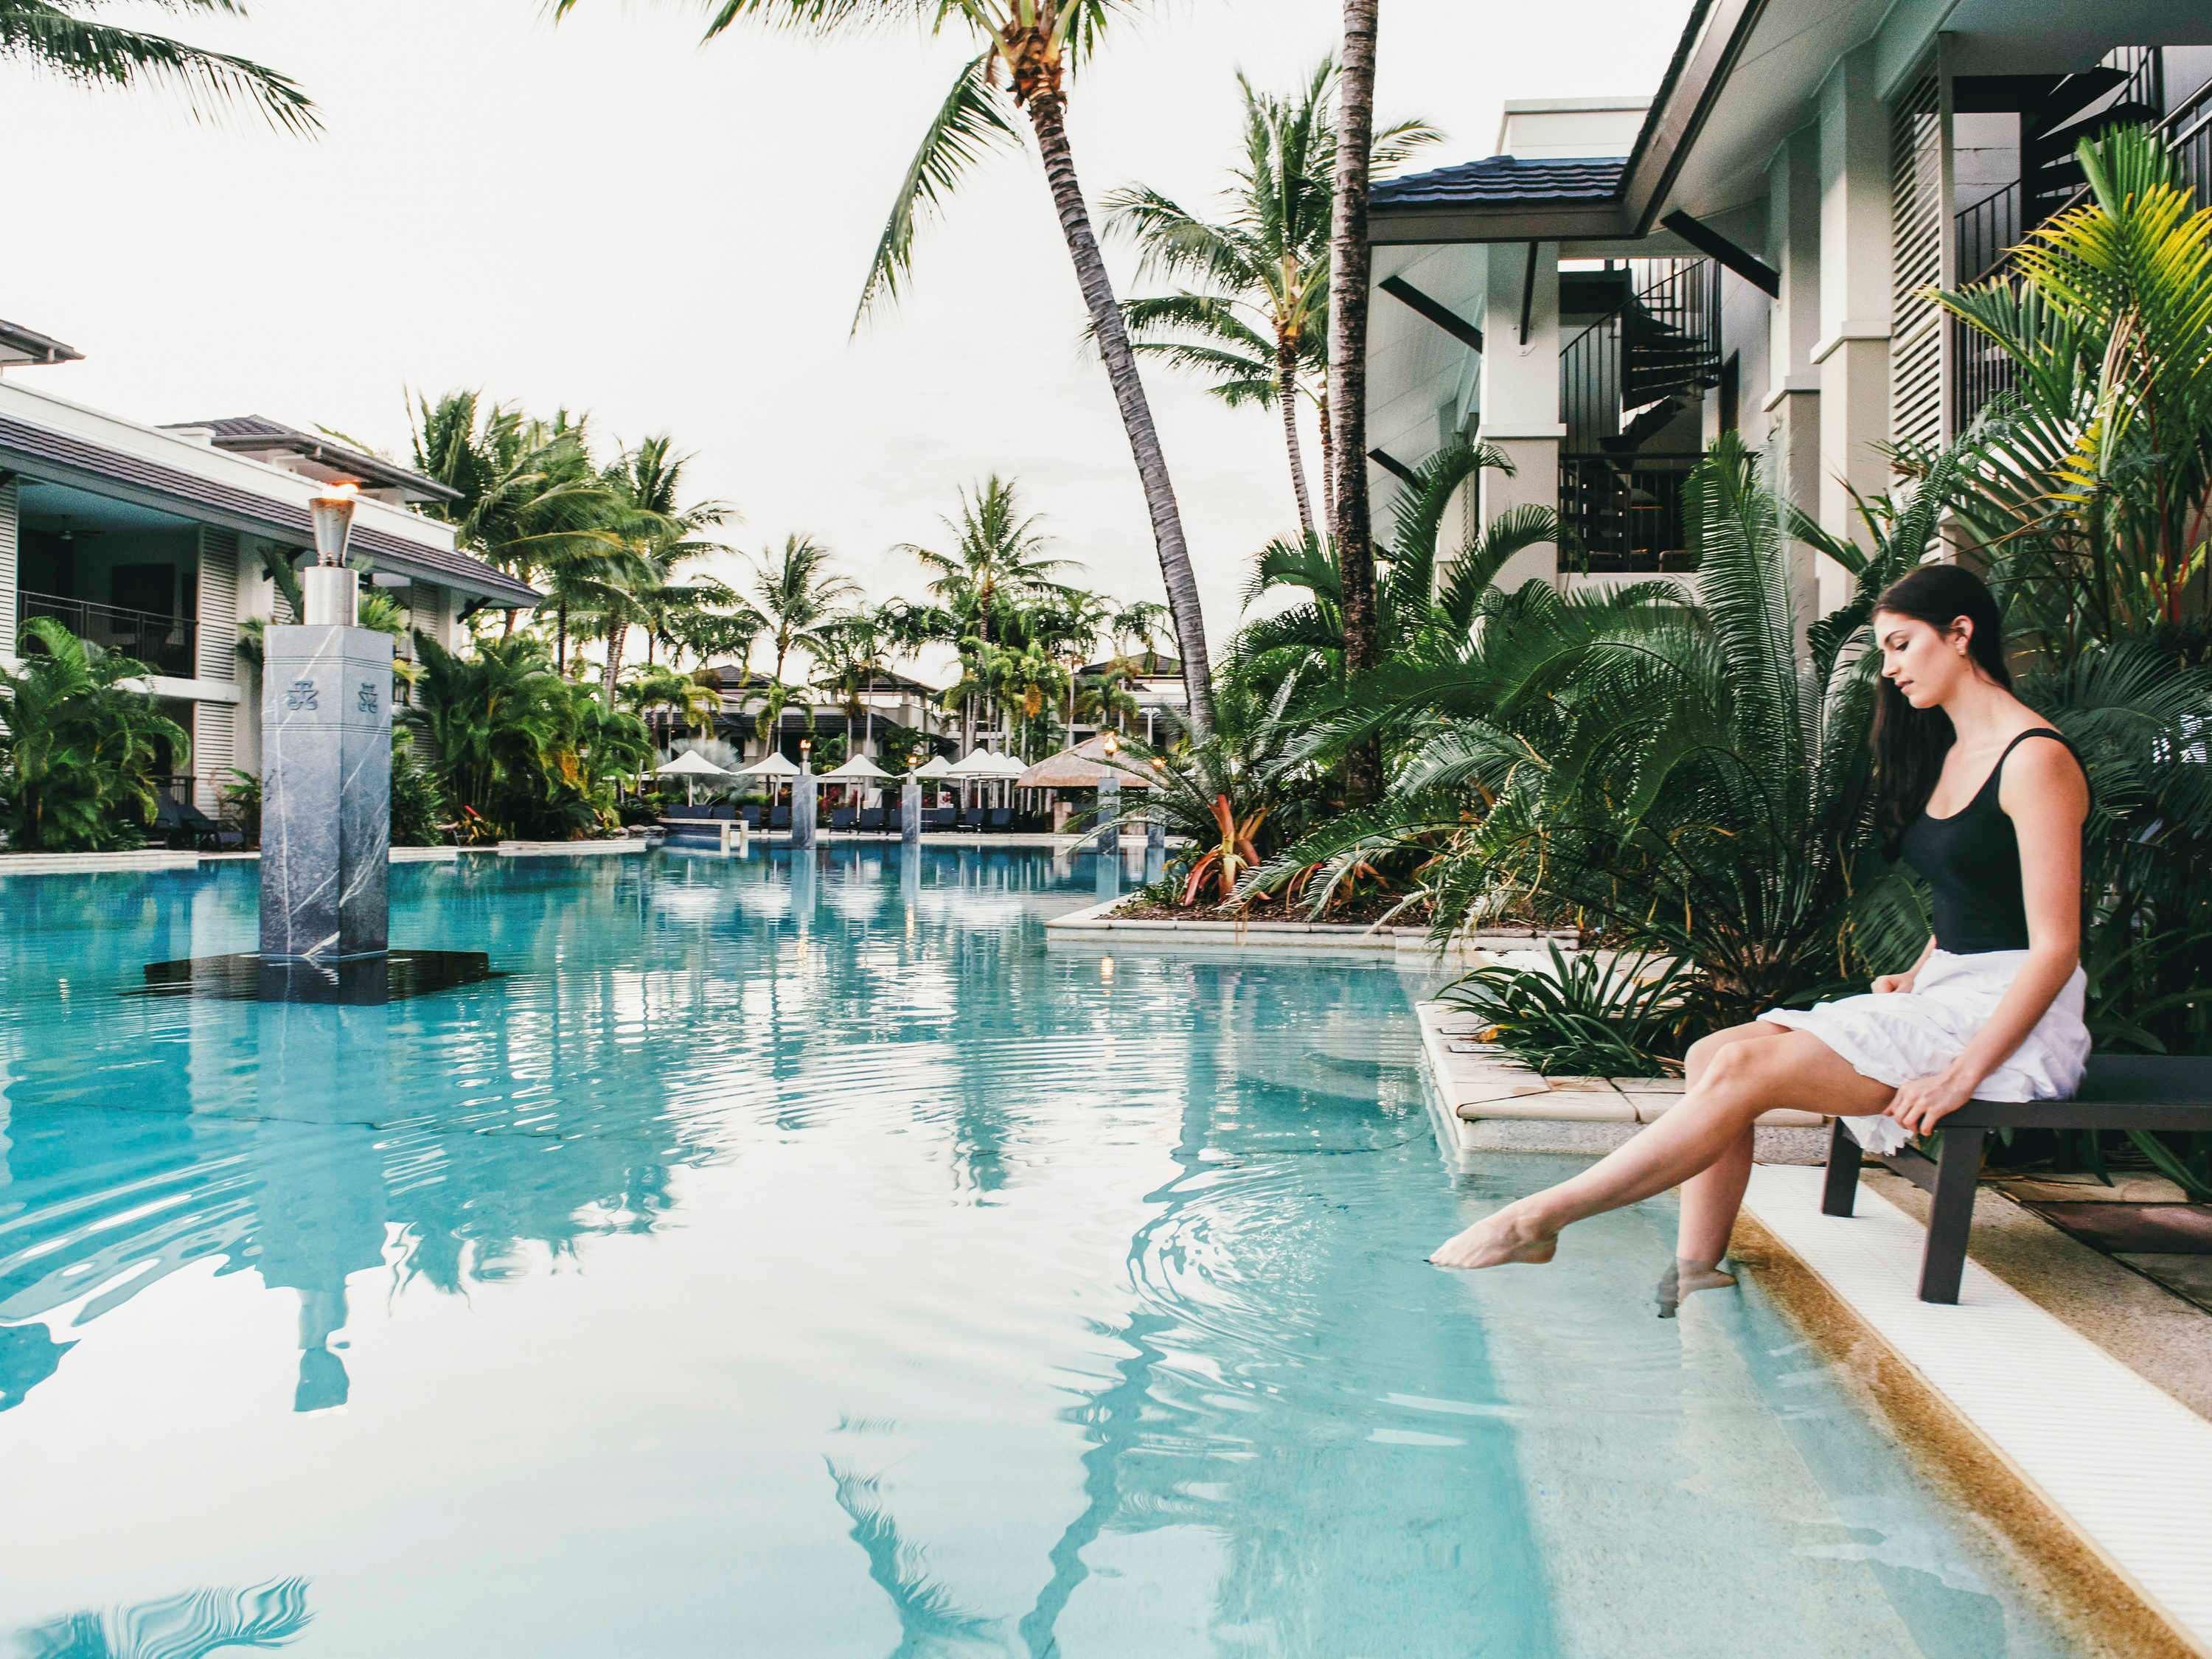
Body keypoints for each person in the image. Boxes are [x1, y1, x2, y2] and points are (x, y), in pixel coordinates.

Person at [1430, 564, 2093, 1281]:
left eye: (1902, 645)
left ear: (1961, 633)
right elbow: (1978, 896)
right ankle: (1694, 1271)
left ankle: (1537, 1218)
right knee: (1711, 1055)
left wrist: (1962, 1077)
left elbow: (2053, 947)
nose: (1891, 669)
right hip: (1949, 997)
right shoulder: (1953, 753)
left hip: (2016, 1022)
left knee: (1744, 1067)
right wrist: (1923, 966)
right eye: (1885, 652)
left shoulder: (2037, 760)